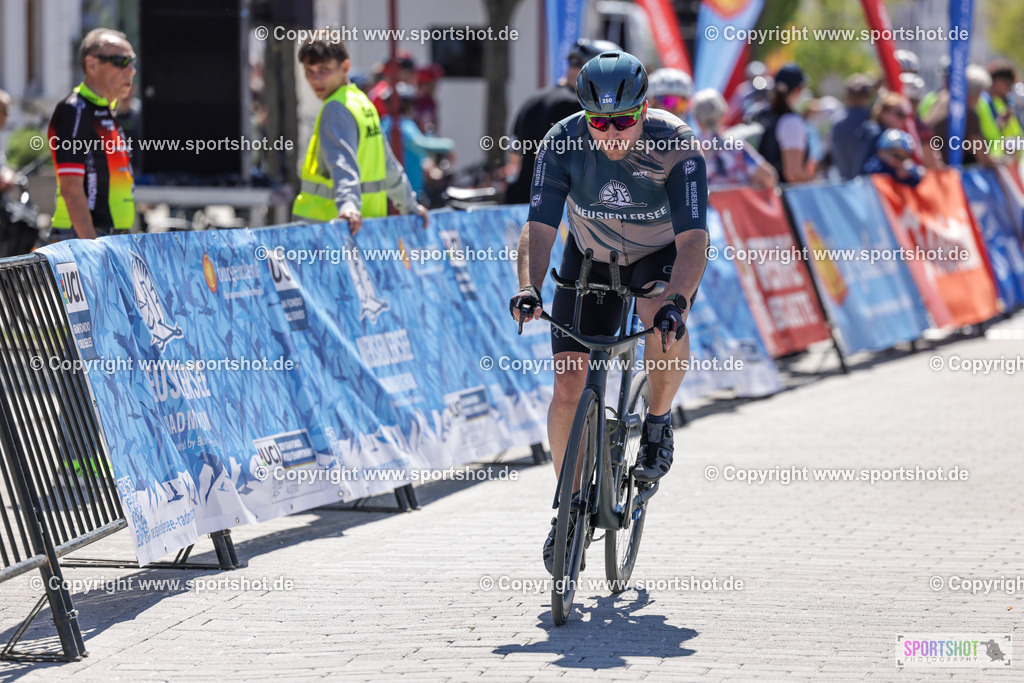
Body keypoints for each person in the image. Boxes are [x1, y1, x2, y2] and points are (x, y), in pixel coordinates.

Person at [507, 51, 708, 574]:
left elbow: (693, 240)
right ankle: (568, 510)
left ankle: (658, 423)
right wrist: (528, 287)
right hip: (592, 257)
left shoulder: (676, 144)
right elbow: (540, 228)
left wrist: (678, 303)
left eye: (623, 120)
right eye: (600, 122)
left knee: (659, 315)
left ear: (644, 109)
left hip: (658, 257)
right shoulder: (562, 141)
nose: (612, 132)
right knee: (568, 382)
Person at [291, 39, 427, 233]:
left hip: (328, 234)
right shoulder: (363, 103)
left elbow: (342, 162)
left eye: (324, 69)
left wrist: (348, 205)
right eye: (309, 71)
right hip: (367, 231)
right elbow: (388, 164)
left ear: (345, 67)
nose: (316, 79)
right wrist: (409, 205)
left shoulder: (335, 108)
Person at [504, 38, 621, 205]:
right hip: (557, 209)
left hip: (521, 203)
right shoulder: (578, 106)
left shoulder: (532, 101)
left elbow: (514, 158)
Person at [47, 28, 136, 240]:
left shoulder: (104, 109)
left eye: (132, 61)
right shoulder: (75, 110)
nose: (131, 70)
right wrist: (92, 247)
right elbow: (70, 188)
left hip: (108, 237)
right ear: (92, 64)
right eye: (120, 61)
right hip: (82, 239)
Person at [380, 82, 456, 201]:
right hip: (407, 192)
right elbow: (419, 144)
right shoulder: (401, 125)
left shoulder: (384, 123)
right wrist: (448, 145)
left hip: (394, 190)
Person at [691, 88, 776, 189]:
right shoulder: (736, 144)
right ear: (723, 114)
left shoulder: (690, 151)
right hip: (739, 198)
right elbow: (768, 177)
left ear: (697, 120)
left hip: (708, 199)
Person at [756, 63, 816, 183]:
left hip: (763, 191)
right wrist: (816, 182)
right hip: (781, 192)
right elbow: (793, 174)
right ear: (798, 89)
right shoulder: (791, 121)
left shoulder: (762, 114)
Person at [927, 65, 994, 168]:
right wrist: (999, 165)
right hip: (947, 168)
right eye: (980, 93)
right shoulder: (967, 114)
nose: (980, 99)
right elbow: (982, 155)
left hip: (932, 164)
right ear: (975, 92)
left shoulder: (942, 100)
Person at [829, 74, 875, 180]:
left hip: (844, 182)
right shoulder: (871, 120)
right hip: (867, 184)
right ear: (868, 96)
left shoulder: (836, 121)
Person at [977, 60, 1023, 162]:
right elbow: (984, 133)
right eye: (1008, 84)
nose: (1009, 90)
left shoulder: (1000, 103)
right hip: (990, 160)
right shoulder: (982, 102)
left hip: (1003, 159)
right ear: (998, 81)